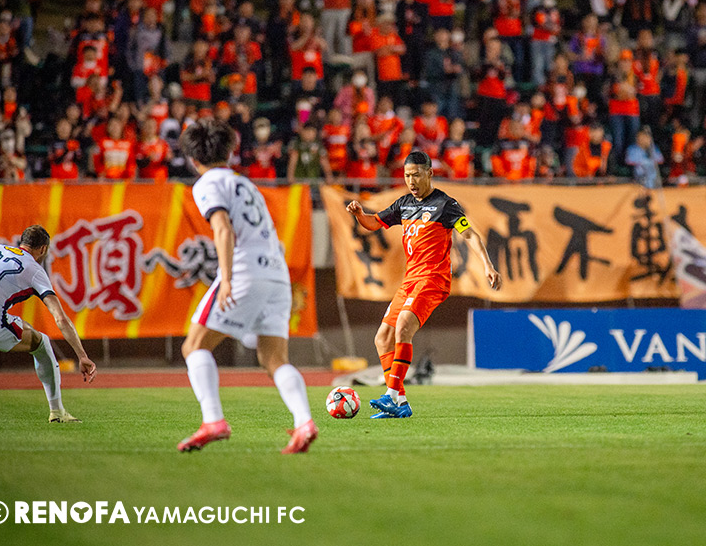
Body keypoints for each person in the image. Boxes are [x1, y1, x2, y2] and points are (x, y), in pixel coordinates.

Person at [177, 118, 316, 453]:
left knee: (194, 346)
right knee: (273, 358)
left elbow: (223, 228)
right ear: (228, 152)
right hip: (276, 273)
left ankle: (213, 421)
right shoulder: (246, 184)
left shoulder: (208, 182)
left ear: (193, 159)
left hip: (245, 270)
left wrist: (226, 279)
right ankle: (304, 422)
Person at [346, 151, 502, 418]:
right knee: (382, 339)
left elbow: (469, 234)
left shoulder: (445, 204)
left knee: (404, 325)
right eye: (407, 175)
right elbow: (375, 222)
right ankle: (400, 403)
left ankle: (391, 395)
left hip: (433, 278)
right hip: (410, 280)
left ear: (429, 173)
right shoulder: (404, 204)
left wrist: (487, 265)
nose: (411, 181)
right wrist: (360, 214)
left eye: (416, 175)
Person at [0, 225, 96, 422]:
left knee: (24, 326)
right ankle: (57, 412)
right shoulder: (34, 270)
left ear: (23, 242)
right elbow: (60, 318)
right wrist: (82, 355)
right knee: (41, 342)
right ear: (43, 249)